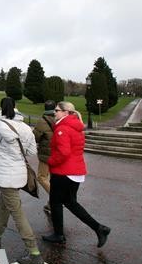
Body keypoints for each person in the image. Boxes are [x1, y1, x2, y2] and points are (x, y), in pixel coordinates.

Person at [0, 97, 43, 264]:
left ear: (1, 109)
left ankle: (34, 252)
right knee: (3, 204)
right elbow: (32, 151)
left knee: (17, 212)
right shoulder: (26, 128)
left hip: (6, 175)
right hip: (19, 174)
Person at [42, 101, 111, 248]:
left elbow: (64, 152)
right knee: (70, 203)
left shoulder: (62, 129)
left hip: (63, 172)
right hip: (76, 172)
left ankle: (59, 235)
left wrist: (50, 161)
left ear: (66, 112)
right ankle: (99, 228)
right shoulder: (76, 126)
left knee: (55, 203)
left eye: (57, 110)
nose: (54, 113)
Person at [32, 100, 56, 214]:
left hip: (46, 155)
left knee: (41, 177)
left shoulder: (42, 121)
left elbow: (35, 137)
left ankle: (56, 198)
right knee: (53, 179)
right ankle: (51, 204)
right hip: (58, 153)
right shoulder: (60, 119)